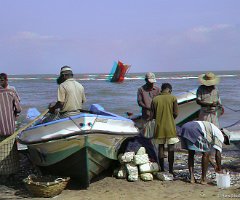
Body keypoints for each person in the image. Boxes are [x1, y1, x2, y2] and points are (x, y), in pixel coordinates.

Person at [151, 83, 178, 174]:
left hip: (159, 127)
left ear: (161, 90)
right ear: (170, 90)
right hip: (170, 127)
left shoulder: (155, 99)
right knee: (171, 148)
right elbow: (176, 113)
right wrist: (170, 119)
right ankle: (170, 170)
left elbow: (152, 115)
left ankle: (162, 169)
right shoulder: (173, 98)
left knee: (161, 148)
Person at [0, 73, 22, 179]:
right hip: (9, 127)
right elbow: (18, 108)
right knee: (11, 149)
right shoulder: (11, 91)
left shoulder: (11, 91)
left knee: (2, 148)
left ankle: (2, 172)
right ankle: (12, 171)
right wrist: (14, 116)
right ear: (7, 80)